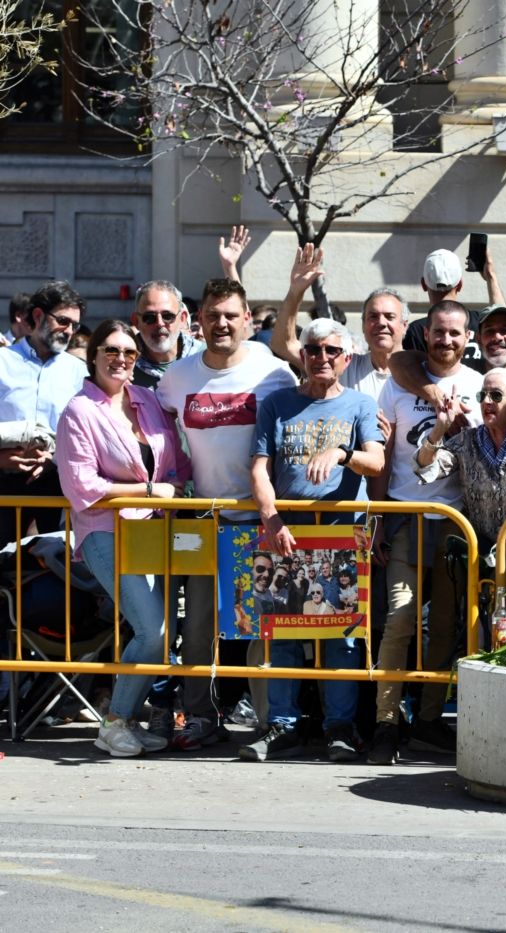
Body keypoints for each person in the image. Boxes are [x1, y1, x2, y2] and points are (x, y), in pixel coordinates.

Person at [156, 278, 298, 750]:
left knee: (264, 628)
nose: (221, 323)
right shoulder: (176, 377)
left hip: (262, 519)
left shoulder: (273, 372)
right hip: (203, 519)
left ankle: (268, 721)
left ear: (246, 321)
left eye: (231, 315)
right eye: (213, 315)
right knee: (197, 628)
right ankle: (199, 715)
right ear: (199, 321)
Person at [244, 317, 384, 763]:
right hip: (287, 534)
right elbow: (259, 468)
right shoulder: (277, 403)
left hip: (341, 535)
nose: (322, 358)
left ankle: (338, 729)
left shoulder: (360, 404)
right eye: (313, 350)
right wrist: (271, 518)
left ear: (345, 359)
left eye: (331, 351)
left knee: (339, 637)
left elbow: (376, 462)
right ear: (301, 356)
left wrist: (342, 454)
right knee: (281, 633)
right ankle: (282, 726)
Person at [55, 319, 192, 757]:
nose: (121, 359)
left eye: (129, 353)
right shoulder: (79, 410)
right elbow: (83, 488)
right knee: (152, 631)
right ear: (93, 355)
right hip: (104, 531)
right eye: (111, 351)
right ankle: (113, 721)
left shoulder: (147, 400)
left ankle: (127, 720)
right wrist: (148, 491)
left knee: (163, 631)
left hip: (155, 530)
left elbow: (173, 467)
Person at [368, 300, 484, 765]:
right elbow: (382, 452)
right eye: (439, 332)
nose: (447, 340)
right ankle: (385, 721)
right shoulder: (398, 384)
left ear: (466, 338)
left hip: (458, 523)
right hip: (405, 515)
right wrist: (375, 516)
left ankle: (430, 720)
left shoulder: (478, 386)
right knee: (398, 621)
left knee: (444, 629)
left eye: (455, 333)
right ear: (426, 334)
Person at [416, 367, 506, 610]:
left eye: (496, 396)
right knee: (484, 640)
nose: (487, 402)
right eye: (483, 396)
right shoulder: (467, 440)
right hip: (485, 569)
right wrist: (439, 428)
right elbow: (426, 468)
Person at [272, 245, 408, 399]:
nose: (381, 323)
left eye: (389, 316)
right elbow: (283, 344)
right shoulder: (342, 364)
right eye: (373, 317)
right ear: (363, 325)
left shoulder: (423, 371)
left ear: (405, 325)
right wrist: (295, 292)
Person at [0, 281, 88, 514]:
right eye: (63, 321)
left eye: (75, 325)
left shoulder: (81, 372)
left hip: (58, 490)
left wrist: (54, 460)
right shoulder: (3, 362)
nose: (69, 330)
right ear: (38, 315)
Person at [129, 281, 204, 389]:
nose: (159, 323)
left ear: (182, 318)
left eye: (168, 316)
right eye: (149, 317)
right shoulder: (123, 364)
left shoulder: (205, 357)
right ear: (136, 321)